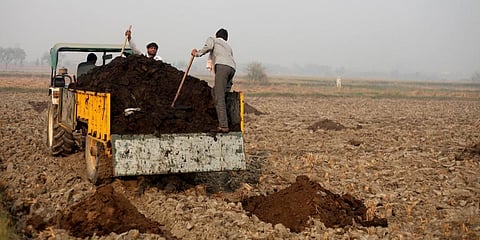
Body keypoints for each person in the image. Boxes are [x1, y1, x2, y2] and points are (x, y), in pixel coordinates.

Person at [191, 28, 236, 133]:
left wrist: (196, 53)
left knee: (219, 97)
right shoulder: (228, 47)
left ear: (217, 35)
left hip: (222, 67)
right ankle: (226, 117)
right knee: (216, 92)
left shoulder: (213, 40)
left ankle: (224, 125)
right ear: (226, 38)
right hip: (232, 69)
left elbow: (208, 47)